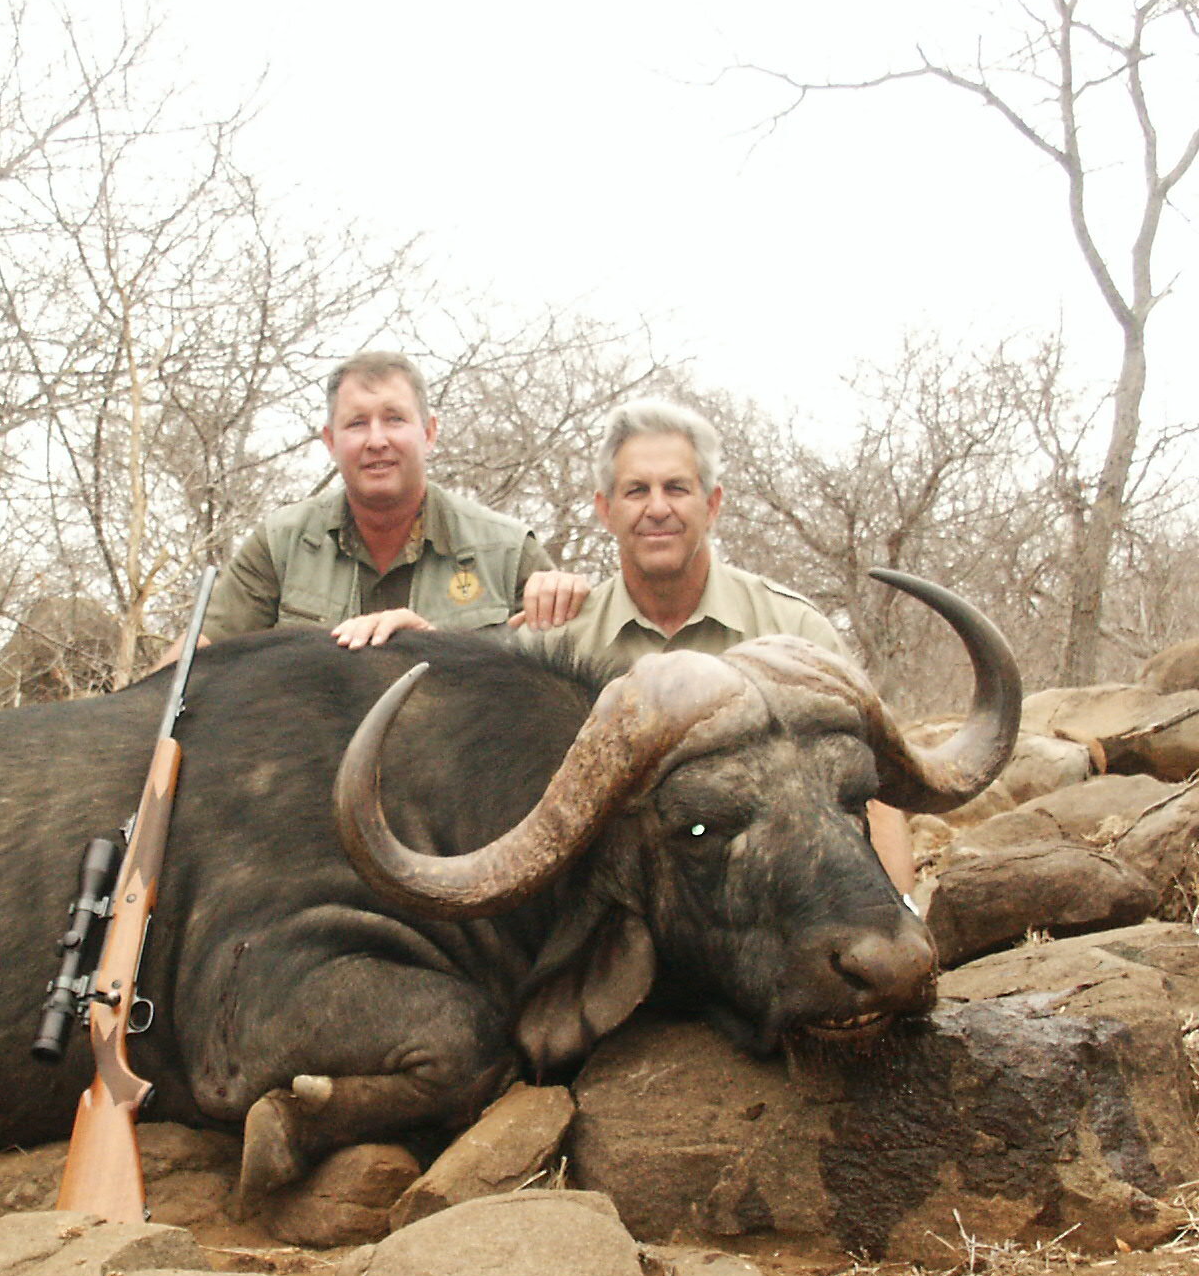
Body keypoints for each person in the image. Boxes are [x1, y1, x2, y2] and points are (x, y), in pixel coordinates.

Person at [523, 398, 915, 892]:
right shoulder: (557, 641)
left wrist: (900, 908)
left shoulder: (794, 626)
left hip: (777, 905)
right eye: (637, 490)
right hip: (616, 910)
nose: (657, 508)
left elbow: (871, 791)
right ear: (606, 509)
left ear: (712, 504)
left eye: (677, 488)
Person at [202, 350, 590, 648]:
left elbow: (564, 687)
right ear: (331, 442)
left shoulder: (508, 554)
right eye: (357, 423)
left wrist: (434, 648)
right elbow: (186, 672)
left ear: (429, 433)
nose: (376, 441)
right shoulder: (279, 545)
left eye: (394, 419)